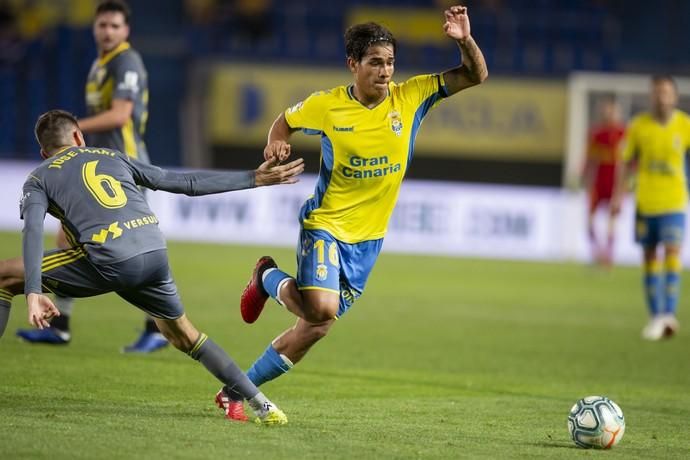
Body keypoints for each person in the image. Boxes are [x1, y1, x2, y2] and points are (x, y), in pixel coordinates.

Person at [214, 5, 488, 421]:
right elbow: (283, 122)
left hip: (369, 241)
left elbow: (475, 75)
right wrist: (276, 144)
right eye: (375, 62)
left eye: (390, 62)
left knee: (316, 327)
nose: (385, 71)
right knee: (321, 310)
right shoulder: (328, 106)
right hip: (324, 225)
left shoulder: (411, 96)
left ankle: (235, 389)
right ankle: (267, 277)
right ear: (353, 65)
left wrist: (464, 40)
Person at [0, 109, 304, 424]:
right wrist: (253, 178)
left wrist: (33, 291)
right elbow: (183, 182)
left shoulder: (38, 177)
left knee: (3, 275)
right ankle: (263, 405)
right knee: (186, 336)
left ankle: (256, 402)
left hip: (110, 258)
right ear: (78, 137)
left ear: (43, 152)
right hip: (154, 251)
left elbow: (33, 230)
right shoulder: (112, 156)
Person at [16, 0, 163, 352]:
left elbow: (120, 115)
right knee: (66, 239)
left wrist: (72, 129)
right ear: (94, 28)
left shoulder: (126, 61)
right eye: (103, 25)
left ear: (126, 31)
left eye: (115, 26)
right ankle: (60, 326)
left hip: (126, 167)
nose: (108, 31)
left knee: (133, 246)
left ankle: (156, 327)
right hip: (101, 169)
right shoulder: (100, 65)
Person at [612, 75, 690, 341]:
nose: (661, 97)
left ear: (675, 97)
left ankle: (668, 314)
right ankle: (656, 316)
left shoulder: (684, 125)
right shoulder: (638, 126)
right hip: (645, 202)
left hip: (675, 202)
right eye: (657, 92)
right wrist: (617, 197)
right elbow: (625, 163)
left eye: (666, 92)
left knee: (672, 253)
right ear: (651, 96)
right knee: (649, 259)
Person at [581, 96, 626, 266]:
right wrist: (586, 180)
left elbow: (628, 162)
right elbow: (589, 159)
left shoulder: (624, 132)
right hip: (598, 182)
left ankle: (608, 256)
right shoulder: (596, 133)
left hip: (615, 182)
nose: (608, 113)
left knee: (612, 221)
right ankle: (596, 253)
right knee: (590, 222)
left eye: (611, 109)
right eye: (605, 109)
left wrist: (622, 189)